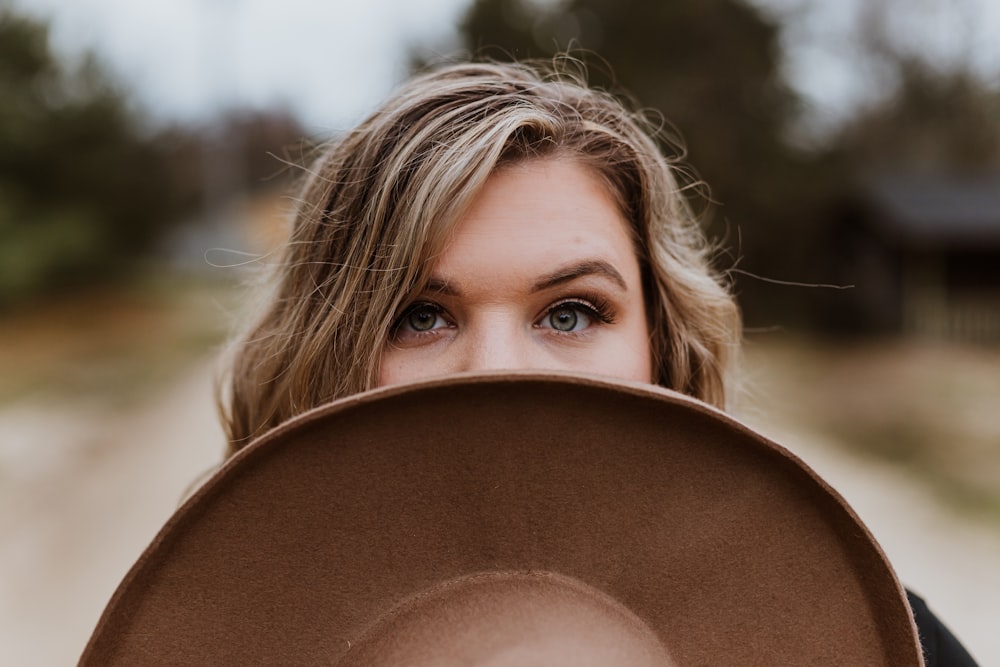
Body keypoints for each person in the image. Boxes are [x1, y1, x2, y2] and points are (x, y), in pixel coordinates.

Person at [217, 57, 976, 665]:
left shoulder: (885, 642)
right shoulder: (204, 633)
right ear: (326, 349)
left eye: (570, 313)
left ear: (662, 348)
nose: (496, 374)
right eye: (420, 316)